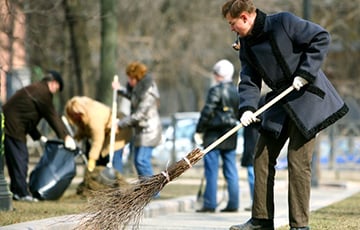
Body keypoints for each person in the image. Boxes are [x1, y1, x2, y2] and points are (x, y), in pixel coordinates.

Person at [221, 1, 349, 229]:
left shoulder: (283, 22)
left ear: (244, 17)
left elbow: (321, 37)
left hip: (307, 97)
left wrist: (305, 73)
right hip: (280, 102)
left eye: (232, 24)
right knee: (261, 157)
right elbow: (249, 80)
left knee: (297, 162)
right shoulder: (246, 44)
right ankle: (261, 220)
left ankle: (299, 225)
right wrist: (247, 108)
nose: (231, 28)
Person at [2, 70, 77, 202]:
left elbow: (28, 116)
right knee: (21, 158)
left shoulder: (36, 89)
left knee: (15, 160)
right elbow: (52, 116)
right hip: (13, 126)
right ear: (54, 83)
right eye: (57, 89)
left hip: (10, 124)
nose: (55, 93)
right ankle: (22, 193)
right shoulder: (43, 93)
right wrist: (65, 136)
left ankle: (16, 191)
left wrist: (39, 137)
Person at [194, 59, 240, 213]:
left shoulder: (216, 90)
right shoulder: (236, 91)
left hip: (214, 134)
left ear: (219, 75)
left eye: (215, 73)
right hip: (231, 134)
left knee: (211, 170)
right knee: (231, 169)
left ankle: (210, 203)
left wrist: (199, 129)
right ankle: (233, 203)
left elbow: (207, 111)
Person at [113, 61, 162, 179]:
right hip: (142, 130)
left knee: (141, 160)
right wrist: (119, 89)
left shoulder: (148, 92)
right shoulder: (138, 89)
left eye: (131, 78)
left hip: (149, 131)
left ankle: (153, 191)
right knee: (138, 161)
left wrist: (120, 124)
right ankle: (146, 190)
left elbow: (139, 115)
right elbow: (132, 97)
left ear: (137, 77)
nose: (129, 81)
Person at [64, 96, 131, 173]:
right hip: (106, 133)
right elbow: (84, 130)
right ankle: (103, 182)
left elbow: (97, 140)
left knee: (112, 158)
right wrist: (75, 138)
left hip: (118, 131)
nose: (73, 117)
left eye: (74, 115)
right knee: (102, 158)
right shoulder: (85, 115)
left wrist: (92, 159)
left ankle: (118, 182)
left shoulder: (94, 116)